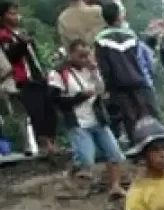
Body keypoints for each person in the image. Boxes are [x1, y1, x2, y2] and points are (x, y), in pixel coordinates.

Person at [48, 38, 126, 198]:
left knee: (114, 152)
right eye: (80, 56)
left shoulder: (91, 69)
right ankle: (71, 173)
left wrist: (95, 72)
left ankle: (115, 186)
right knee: (86, 158)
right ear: (70, 55)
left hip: (97, 117)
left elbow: (102, 90)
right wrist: (79, 97)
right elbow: (55, 100)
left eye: (87, 55)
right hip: (77, 120)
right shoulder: (59, 73)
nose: (84, 60)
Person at [0, 1, 57, 155]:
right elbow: (11, 56)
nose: (16, 16)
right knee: (35, 111)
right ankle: (44, 145)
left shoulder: (21, 31)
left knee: (48, 110)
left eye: (16, 12)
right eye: (11, 13)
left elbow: (33, 54)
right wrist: (22, 44)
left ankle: (52, 142)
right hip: (23, 79)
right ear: (3, 16)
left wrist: (42, 69)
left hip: (37, 74)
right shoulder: (3, 35)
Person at [95, 1, 147, 143]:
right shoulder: (130, 35)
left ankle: (137, 146)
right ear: (119, 16)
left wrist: (107, 87)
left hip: (117, 83)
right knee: (142, 113)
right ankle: (148, 144)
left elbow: (104, 66)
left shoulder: (100, 39)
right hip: (136, 79)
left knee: (128, 117)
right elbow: (138, 59)